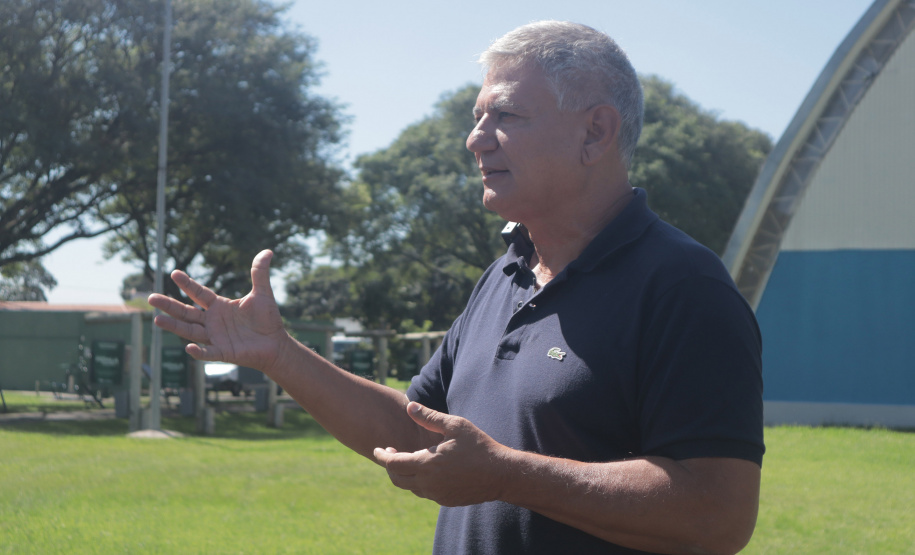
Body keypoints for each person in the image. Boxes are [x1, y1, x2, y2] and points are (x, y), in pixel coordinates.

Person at [150, 20, 764, 555]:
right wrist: (279, 354)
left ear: (596, 133)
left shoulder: (684, 286)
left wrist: (508, 477)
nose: (475, 139)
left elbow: (718, 516)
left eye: (505, 116)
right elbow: (418, 431)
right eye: (478, 119)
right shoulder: (504, 275)